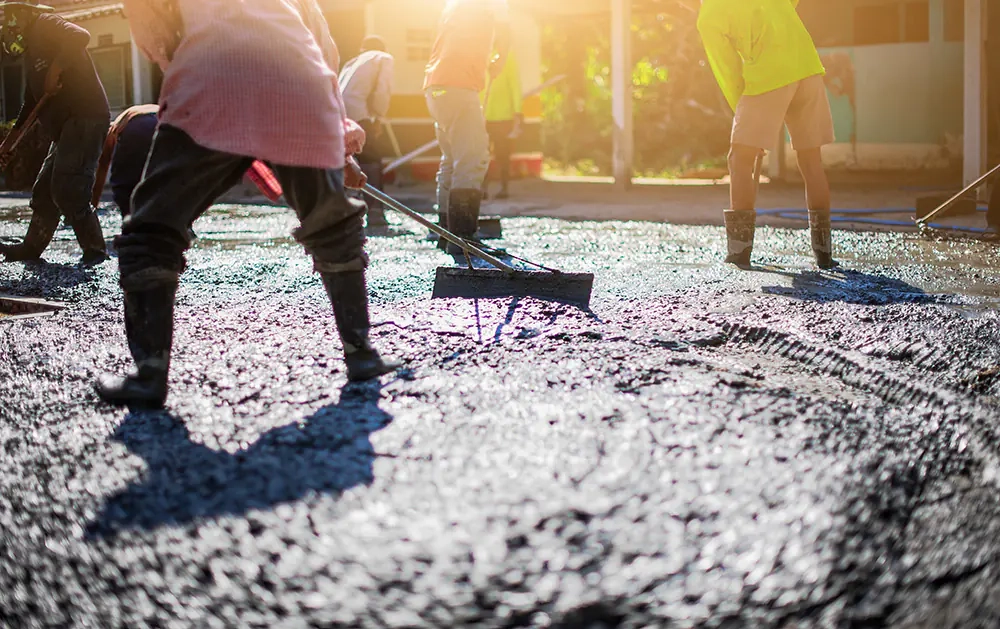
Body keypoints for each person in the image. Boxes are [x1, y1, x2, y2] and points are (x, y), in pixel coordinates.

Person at [95, 0, 400, 408]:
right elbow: (323, 57)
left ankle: (150, 374)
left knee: (152, 228)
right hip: (300, 86)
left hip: (212, 78)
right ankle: (362, 353)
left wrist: (196, 86)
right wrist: (337, 149)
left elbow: (156, 36)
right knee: (331, 218)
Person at [697, 0, 837, 269]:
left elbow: (728, 72)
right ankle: (824, 255)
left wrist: (745, 124)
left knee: (739, 159)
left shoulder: (709, 14)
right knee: (811, 162)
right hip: (808, 67)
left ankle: (739, 253)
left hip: (769, 74)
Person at [0, 1, 110, 264]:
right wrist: (8, 145)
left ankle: (95, 251)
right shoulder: (32, 52)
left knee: (68, 188)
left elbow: (80, 35)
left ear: (24, 15)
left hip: (85, 117)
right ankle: (30, 249)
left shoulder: (45, 24)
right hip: (65, 129)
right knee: (44, 191)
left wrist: (56, 69)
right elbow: (30, 105)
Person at [91, 104, 287, 218]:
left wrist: (93, 203)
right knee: (171, 180)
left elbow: (103, 169)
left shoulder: (113, 130)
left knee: (123, 184)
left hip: (142, 125)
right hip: (171, 124)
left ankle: (131, 222)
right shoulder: (133, 114)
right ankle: (182, 223)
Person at [424, 0, 510, 254]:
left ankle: (446, 231)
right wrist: (500, 58)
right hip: (460, 85)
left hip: (435, 85)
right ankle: (463, 238)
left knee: (452, 158)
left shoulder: (452, 6)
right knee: (473, 158)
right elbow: (505, 31)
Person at [340, 35, 394, 232]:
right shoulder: (383, 57)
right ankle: (376, 214)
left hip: (339, 114)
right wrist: (378, 116)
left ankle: (336, 211)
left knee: (344, 161)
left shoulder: (352, 62)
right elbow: (382, 90)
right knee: (371, 161)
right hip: (359, 114)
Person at [481, 48, 522, 200]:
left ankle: (503, 188)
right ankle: (482, 188)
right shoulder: (479, 55)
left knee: (502, 155)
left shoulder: (508, 57)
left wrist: (518, 113)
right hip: (482, 115)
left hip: (503, 116)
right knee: (481, 155)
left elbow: (515, 85)